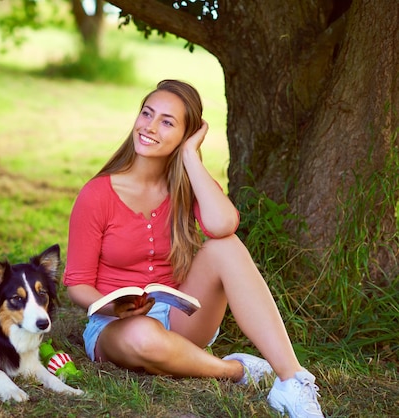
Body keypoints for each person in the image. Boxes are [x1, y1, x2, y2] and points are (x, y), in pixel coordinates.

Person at [63, 80, 324, 418]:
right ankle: (235, 370)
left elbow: (223, 226)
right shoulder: (97, 194)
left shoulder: (185, 184)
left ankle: (292, 379)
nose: (150, 127)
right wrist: (113, 308)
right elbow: (77, 282)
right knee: (144, 336)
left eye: (167, 122)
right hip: (117, 327)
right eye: (147, 114)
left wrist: (190, 158)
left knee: (225, 248)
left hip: (180, 318)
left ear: (185, 136)